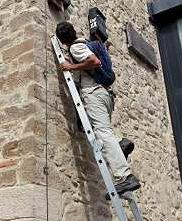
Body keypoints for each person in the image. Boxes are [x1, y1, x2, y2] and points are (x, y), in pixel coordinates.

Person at [55, 21, 141, 197]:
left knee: (102, 133)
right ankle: (120, 143)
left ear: (62, 41)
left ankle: (125, 176)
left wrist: (71, 66)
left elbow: (94, 61)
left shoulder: (75, 48)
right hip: (104, 94)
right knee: (103, 131)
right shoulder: (86, 42)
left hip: (94, 93)